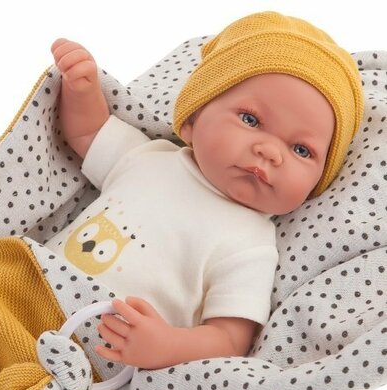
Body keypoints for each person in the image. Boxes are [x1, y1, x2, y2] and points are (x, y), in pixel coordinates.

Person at [46, 11, 363, 370]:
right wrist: (83, 91)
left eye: (301, 150)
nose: (271, 152)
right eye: (251, 120)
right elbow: (88, 133)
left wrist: (166, 346)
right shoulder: (149, 157)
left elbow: (229, 340)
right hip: (29, 281)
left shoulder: (251, 245)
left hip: (92, 355)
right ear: (192, 119)